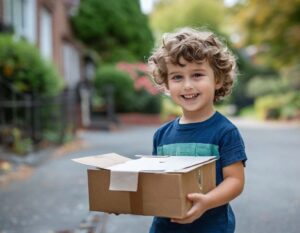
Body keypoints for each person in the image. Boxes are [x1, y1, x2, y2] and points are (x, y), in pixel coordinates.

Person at [147, 27, 247, 233]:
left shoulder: (225, 132)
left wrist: (207, 201)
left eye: (197, 75)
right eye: (177, 77)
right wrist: (125, 201)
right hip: (165, 227)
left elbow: (235, 181)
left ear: (217, 79)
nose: (187, 85)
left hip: (210, 227)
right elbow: (155, 182)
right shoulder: (162, 135)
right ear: (166, 84)